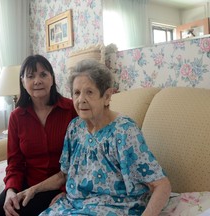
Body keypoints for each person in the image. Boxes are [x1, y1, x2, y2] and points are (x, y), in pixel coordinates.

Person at [15, 59, 171, 216]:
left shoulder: (124, 132)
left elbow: (162, 185)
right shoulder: (75, 128)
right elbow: (64, 175)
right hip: (74, 205)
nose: (81, 100)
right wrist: (33, 189)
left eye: (89, 92)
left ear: (107, 96)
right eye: (76, 93)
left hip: (114, 208)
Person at [0, 54, 77, 216]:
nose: (37, 81)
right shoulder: (16, 117)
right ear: (23, 82)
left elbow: (80, 159)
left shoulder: (71, 110)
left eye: (43, 74)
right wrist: (11, 190)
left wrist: (66, 191)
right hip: (27, 183)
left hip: (60, 184)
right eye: (30, 76)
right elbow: (14, 163)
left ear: (52, 79)